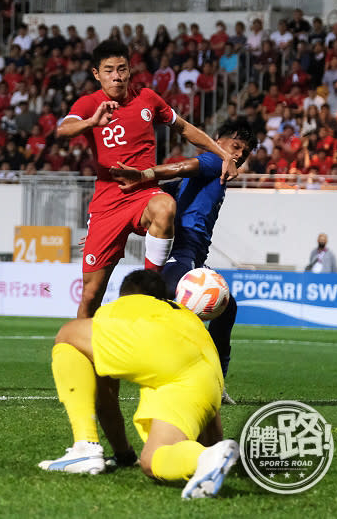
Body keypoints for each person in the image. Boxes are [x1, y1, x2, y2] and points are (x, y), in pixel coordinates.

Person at [56, 40, 236, 318]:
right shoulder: (90, 103)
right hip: (107, 204)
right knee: (91, 295)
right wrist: (91, 122)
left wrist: (223, 154)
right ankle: (83, 352)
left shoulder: (147, 99)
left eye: (122, 69)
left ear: (130, 70)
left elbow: (185, 129)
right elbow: (63, 130)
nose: (116, 76)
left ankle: (149, 293)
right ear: (96, 74)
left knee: (165, 207)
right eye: (108, 71)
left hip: (143, 196)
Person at [38, 270, 238, 500]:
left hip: (161, 349)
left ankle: (84, 446)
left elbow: (107, 399)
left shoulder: (122, 309)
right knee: (152, 460)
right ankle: (204, 458)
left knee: (67, 335)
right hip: (207, 374)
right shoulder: (187, 317)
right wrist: (213, 446)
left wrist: (112, 448)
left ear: (125, 295)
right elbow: (210, 413)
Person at [109, 120, 256, 404]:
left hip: (193, 259)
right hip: (181, 255)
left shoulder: (203, 180)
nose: (238, 155)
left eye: (244, 152)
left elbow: (160, 193)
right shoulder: (215, 160)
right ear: (217, 140)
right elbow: (182, 166)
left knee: (226, 308)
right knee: (185, 312)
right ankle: (182, 378)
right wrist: (143, 174)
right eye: (235, 146)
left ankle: (210, 383)